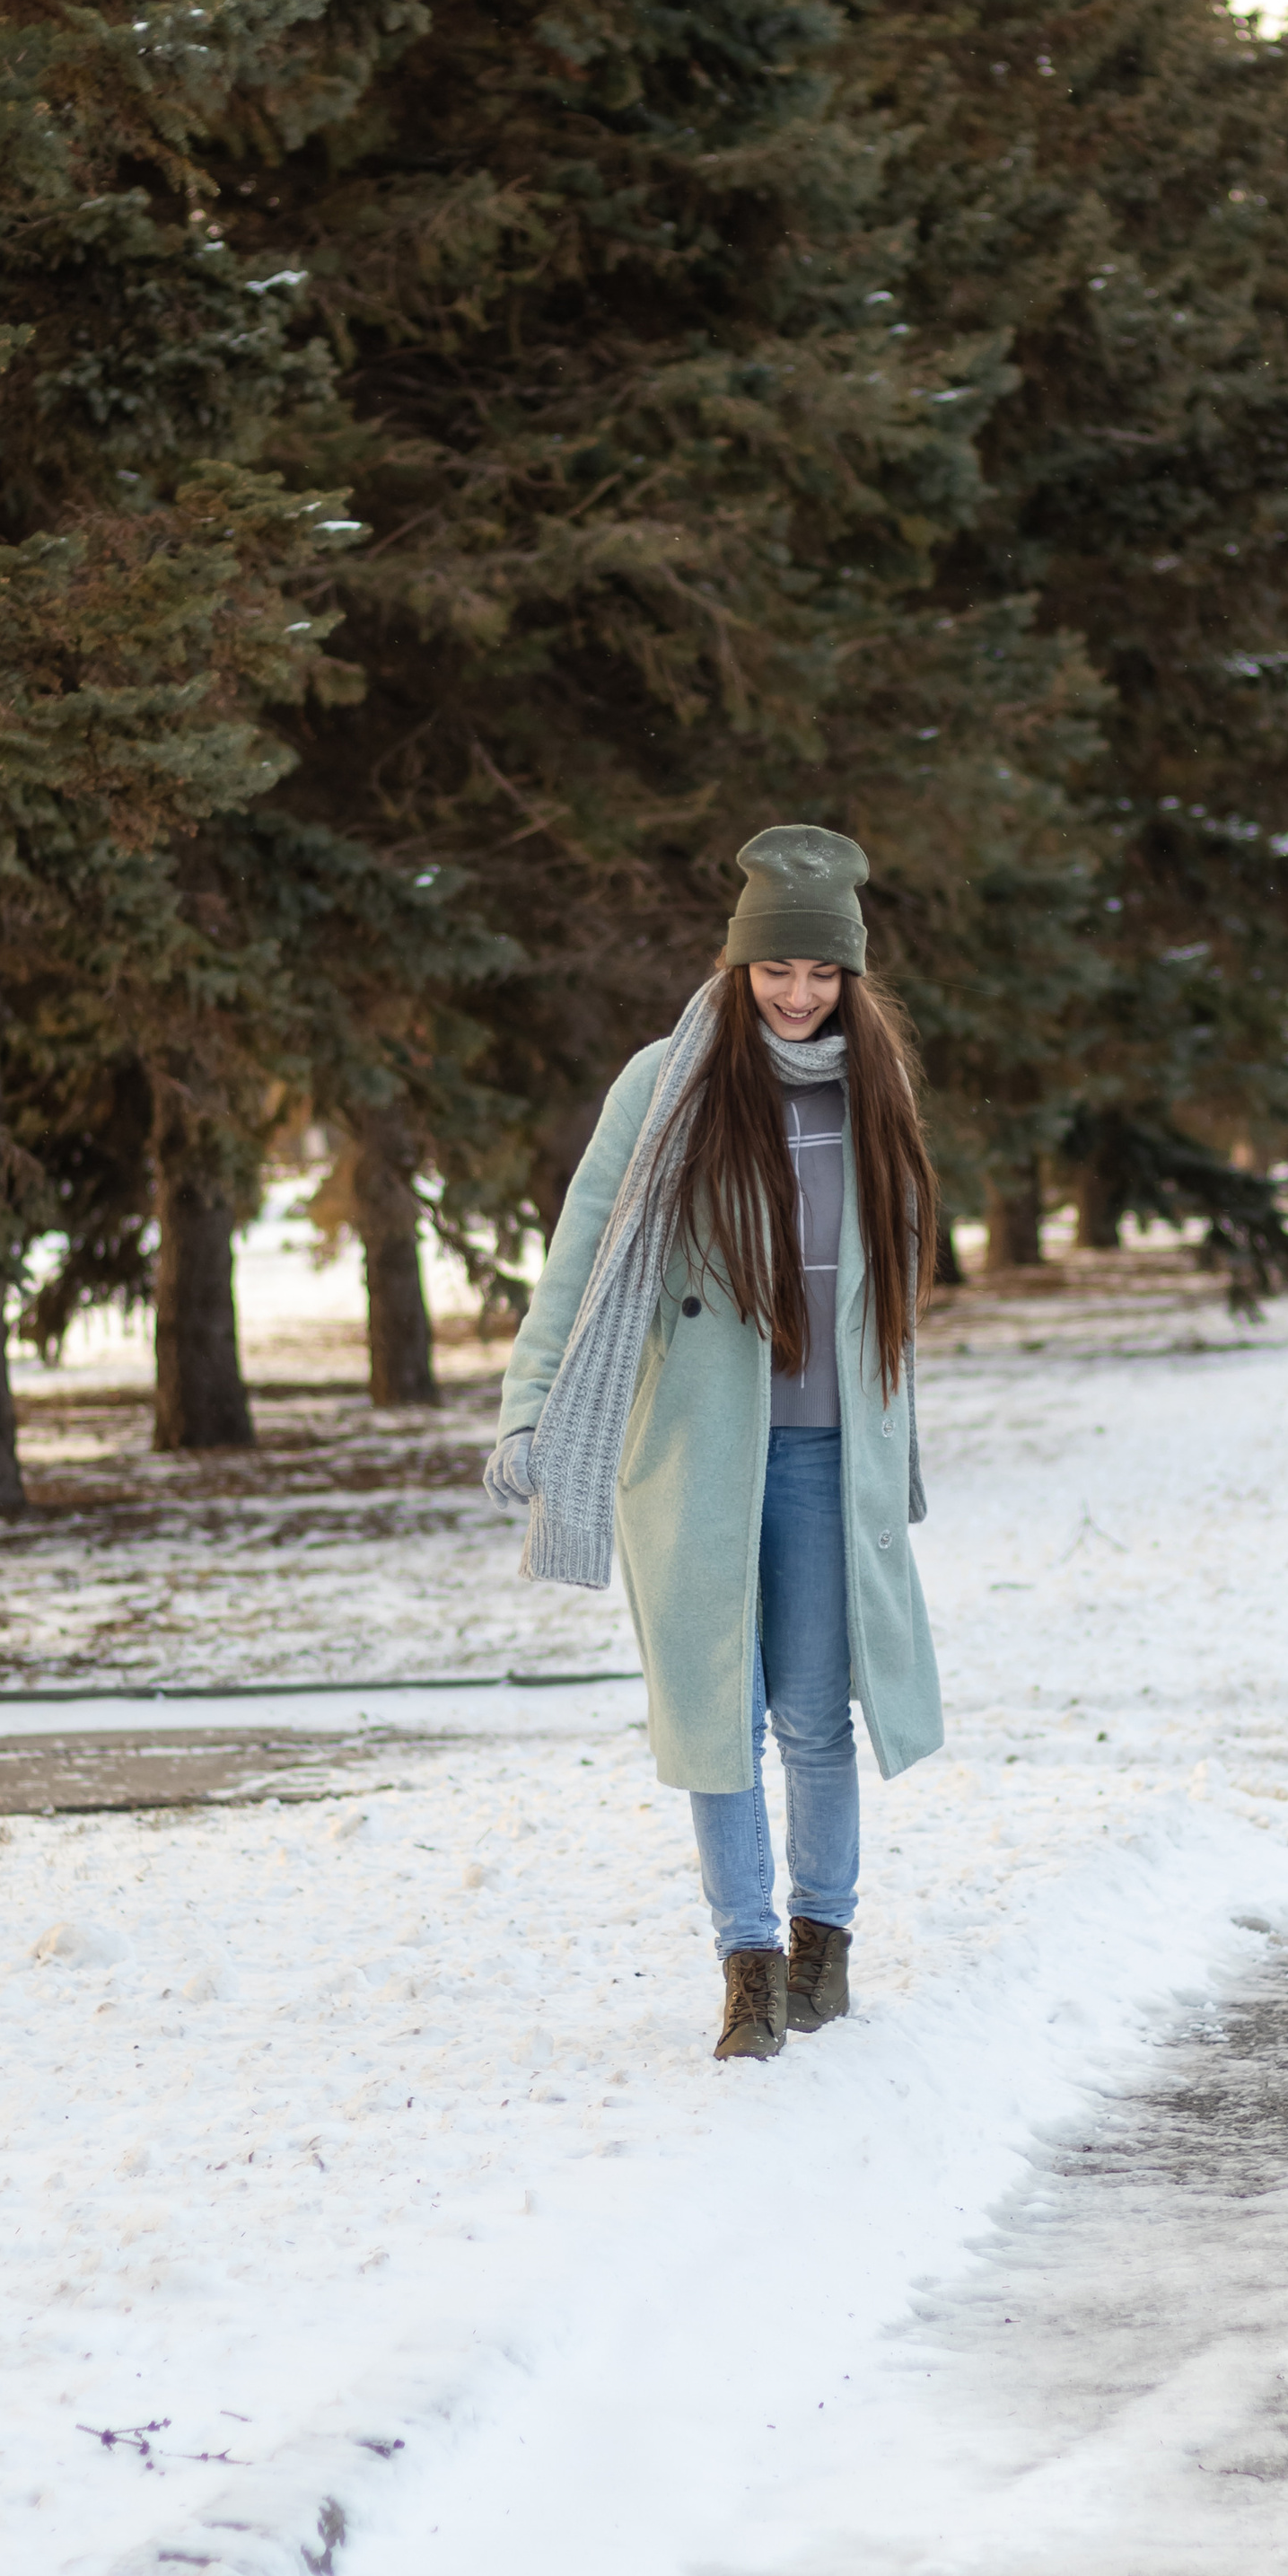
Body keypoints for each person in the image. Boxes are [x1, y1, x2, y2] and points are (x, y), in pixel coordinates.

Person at [483, 826, 942, 2061]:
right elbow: (583, 1252)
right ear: (739, 965)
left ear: (849, 976)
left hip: (826, 1455)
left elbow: (889, 1289)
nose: (798, 995)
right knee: (713, 1713)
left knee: (812, 1717)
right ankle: (746, 1967)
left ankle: (821, 1947)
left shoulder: (877, 1087)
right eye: (776, 971)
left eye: (822, 974)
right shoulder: (666, 1083)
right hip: (695, 1454)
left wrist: (898, 1448)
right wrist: (531, 1406)